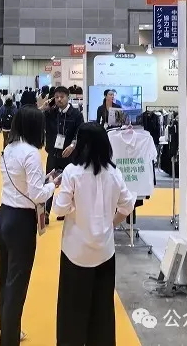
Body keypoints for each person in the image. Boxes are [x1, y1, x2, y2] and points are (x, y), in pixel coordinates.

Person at [52, 122, 136, 345]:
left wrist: (68, 204)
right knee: (102, 310)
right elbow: (127, 206)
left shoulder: (72, 173)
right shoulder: (114, 173)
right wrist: (110, 223)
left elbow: (59, 209)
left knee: (71, 311)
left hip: (75, 251)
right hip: (105, 252)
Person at [0, 106, 59, 345]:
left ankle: (8, 330)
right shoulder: (31, 153)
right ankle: (9, 339)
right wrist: (53, 185)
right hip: (21, 221)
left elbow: (22, 184)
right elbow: (37, 194)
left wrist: (43, 182)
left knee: (5, 279)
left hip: (4, 214)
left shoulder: (9, 148)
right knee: (17, 283)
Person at [41, 85, 83, 224]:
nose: (59, 99)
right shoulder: (50, 113)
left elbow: (80, 132)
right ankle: (46, 212)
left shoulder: (76, 114)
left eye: (62, 97)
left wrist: (73, 145)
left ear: (68, 97)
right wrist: (43, 108)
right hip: (53, 153)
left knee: (69, 183)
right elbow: (35, 119)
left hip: (69, 154)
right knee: (49, 182)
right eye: (56, 97)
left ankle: (66, 210)